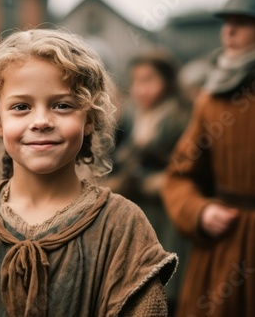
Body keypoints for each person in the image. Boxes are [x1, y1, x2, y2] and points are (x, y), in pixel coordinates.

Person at [0, 29, 178, 316]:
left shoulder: (123, 227)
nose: (40, 121)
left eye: (62, 105)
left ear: (89, 118)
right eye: (21, 107)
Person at [161, 0, 255, 316]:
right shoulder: (212, 98)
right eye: (226, 21)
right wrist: (198, 211)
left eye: (243, 22)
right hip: (224, 250)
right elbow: (179, 176)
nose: (228, 31)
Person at [105, 51, 190, 315]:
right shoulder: (129, 116)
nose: (141, 89)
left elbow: (187, 172)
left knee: (163, 277)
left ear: (167, 81)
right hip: (135, 208)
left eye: (149, 80)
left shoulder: (180, 118)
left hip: (166, 212)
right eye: (136, 81)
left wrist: (147, 182)